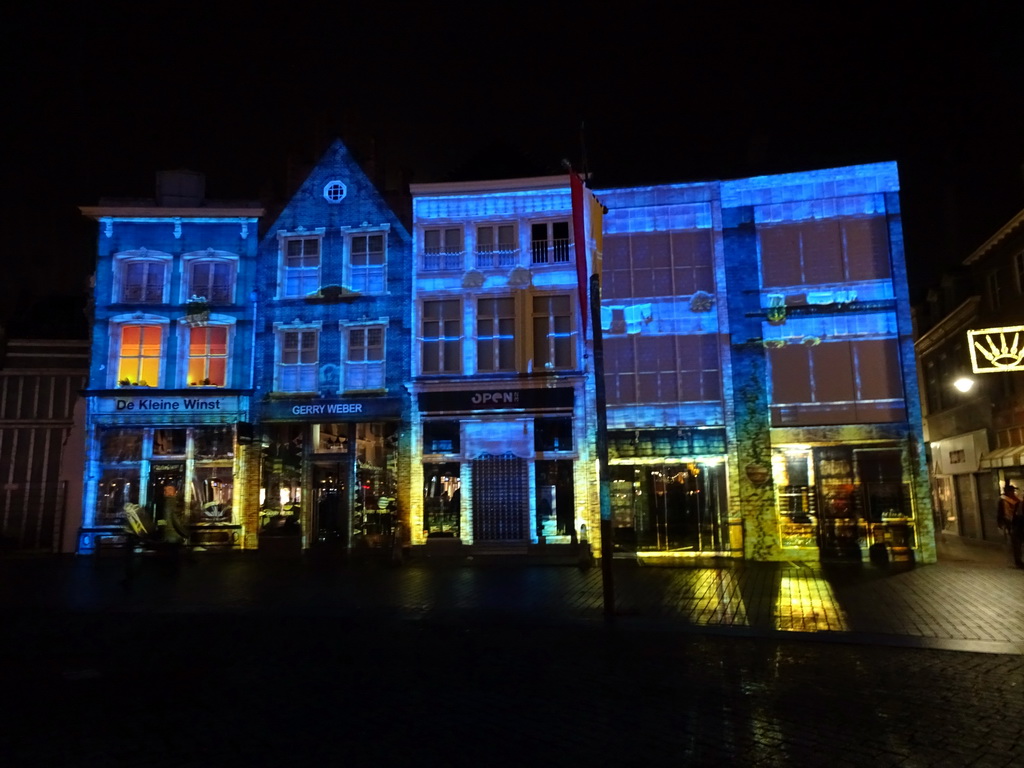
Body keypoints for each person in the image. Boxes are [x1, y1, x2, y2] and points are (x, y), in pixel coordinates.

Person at [996, 482, 1024, 568]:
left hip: (1017, 524)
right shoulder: (1003, 501)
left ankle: (1018, 560)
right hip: (1011, 523)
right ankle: (1017, 561)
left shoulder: (1017, 500)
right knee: (1015, 543)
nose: (1013, 493)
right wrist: (1001, 523)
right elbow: (1001, 513)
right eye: (1011, 491)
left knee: (1017, 543)